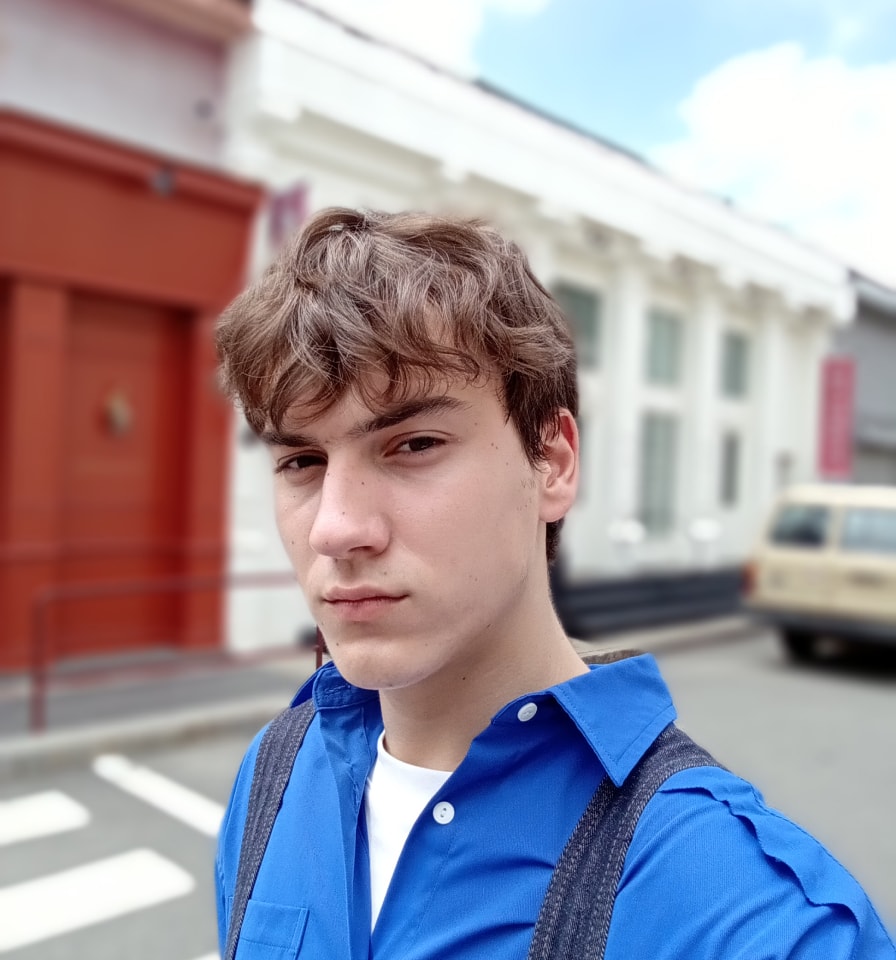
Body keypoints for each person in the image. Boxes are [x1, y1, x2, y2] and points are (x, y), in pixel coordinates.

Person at [214, 207, 895, 959]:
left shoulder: (756, 920)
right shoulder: (277, 772)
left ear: (554, 463)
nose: (335, 528)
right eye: (301, 462)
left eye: (413, 444)